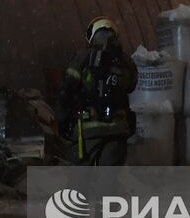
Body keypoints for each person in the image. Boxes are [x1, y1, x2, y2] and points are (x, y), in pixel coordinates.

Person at [58, 17, 137, 166]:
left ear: (92, 35)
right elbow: (131, 86)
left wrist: (62, 121)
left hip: (87, 133)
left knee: (80, 182)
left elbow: (67, 91)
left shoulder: (82, 57)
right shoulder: (126, 62)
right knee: (108, 183)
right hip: (117, 132)